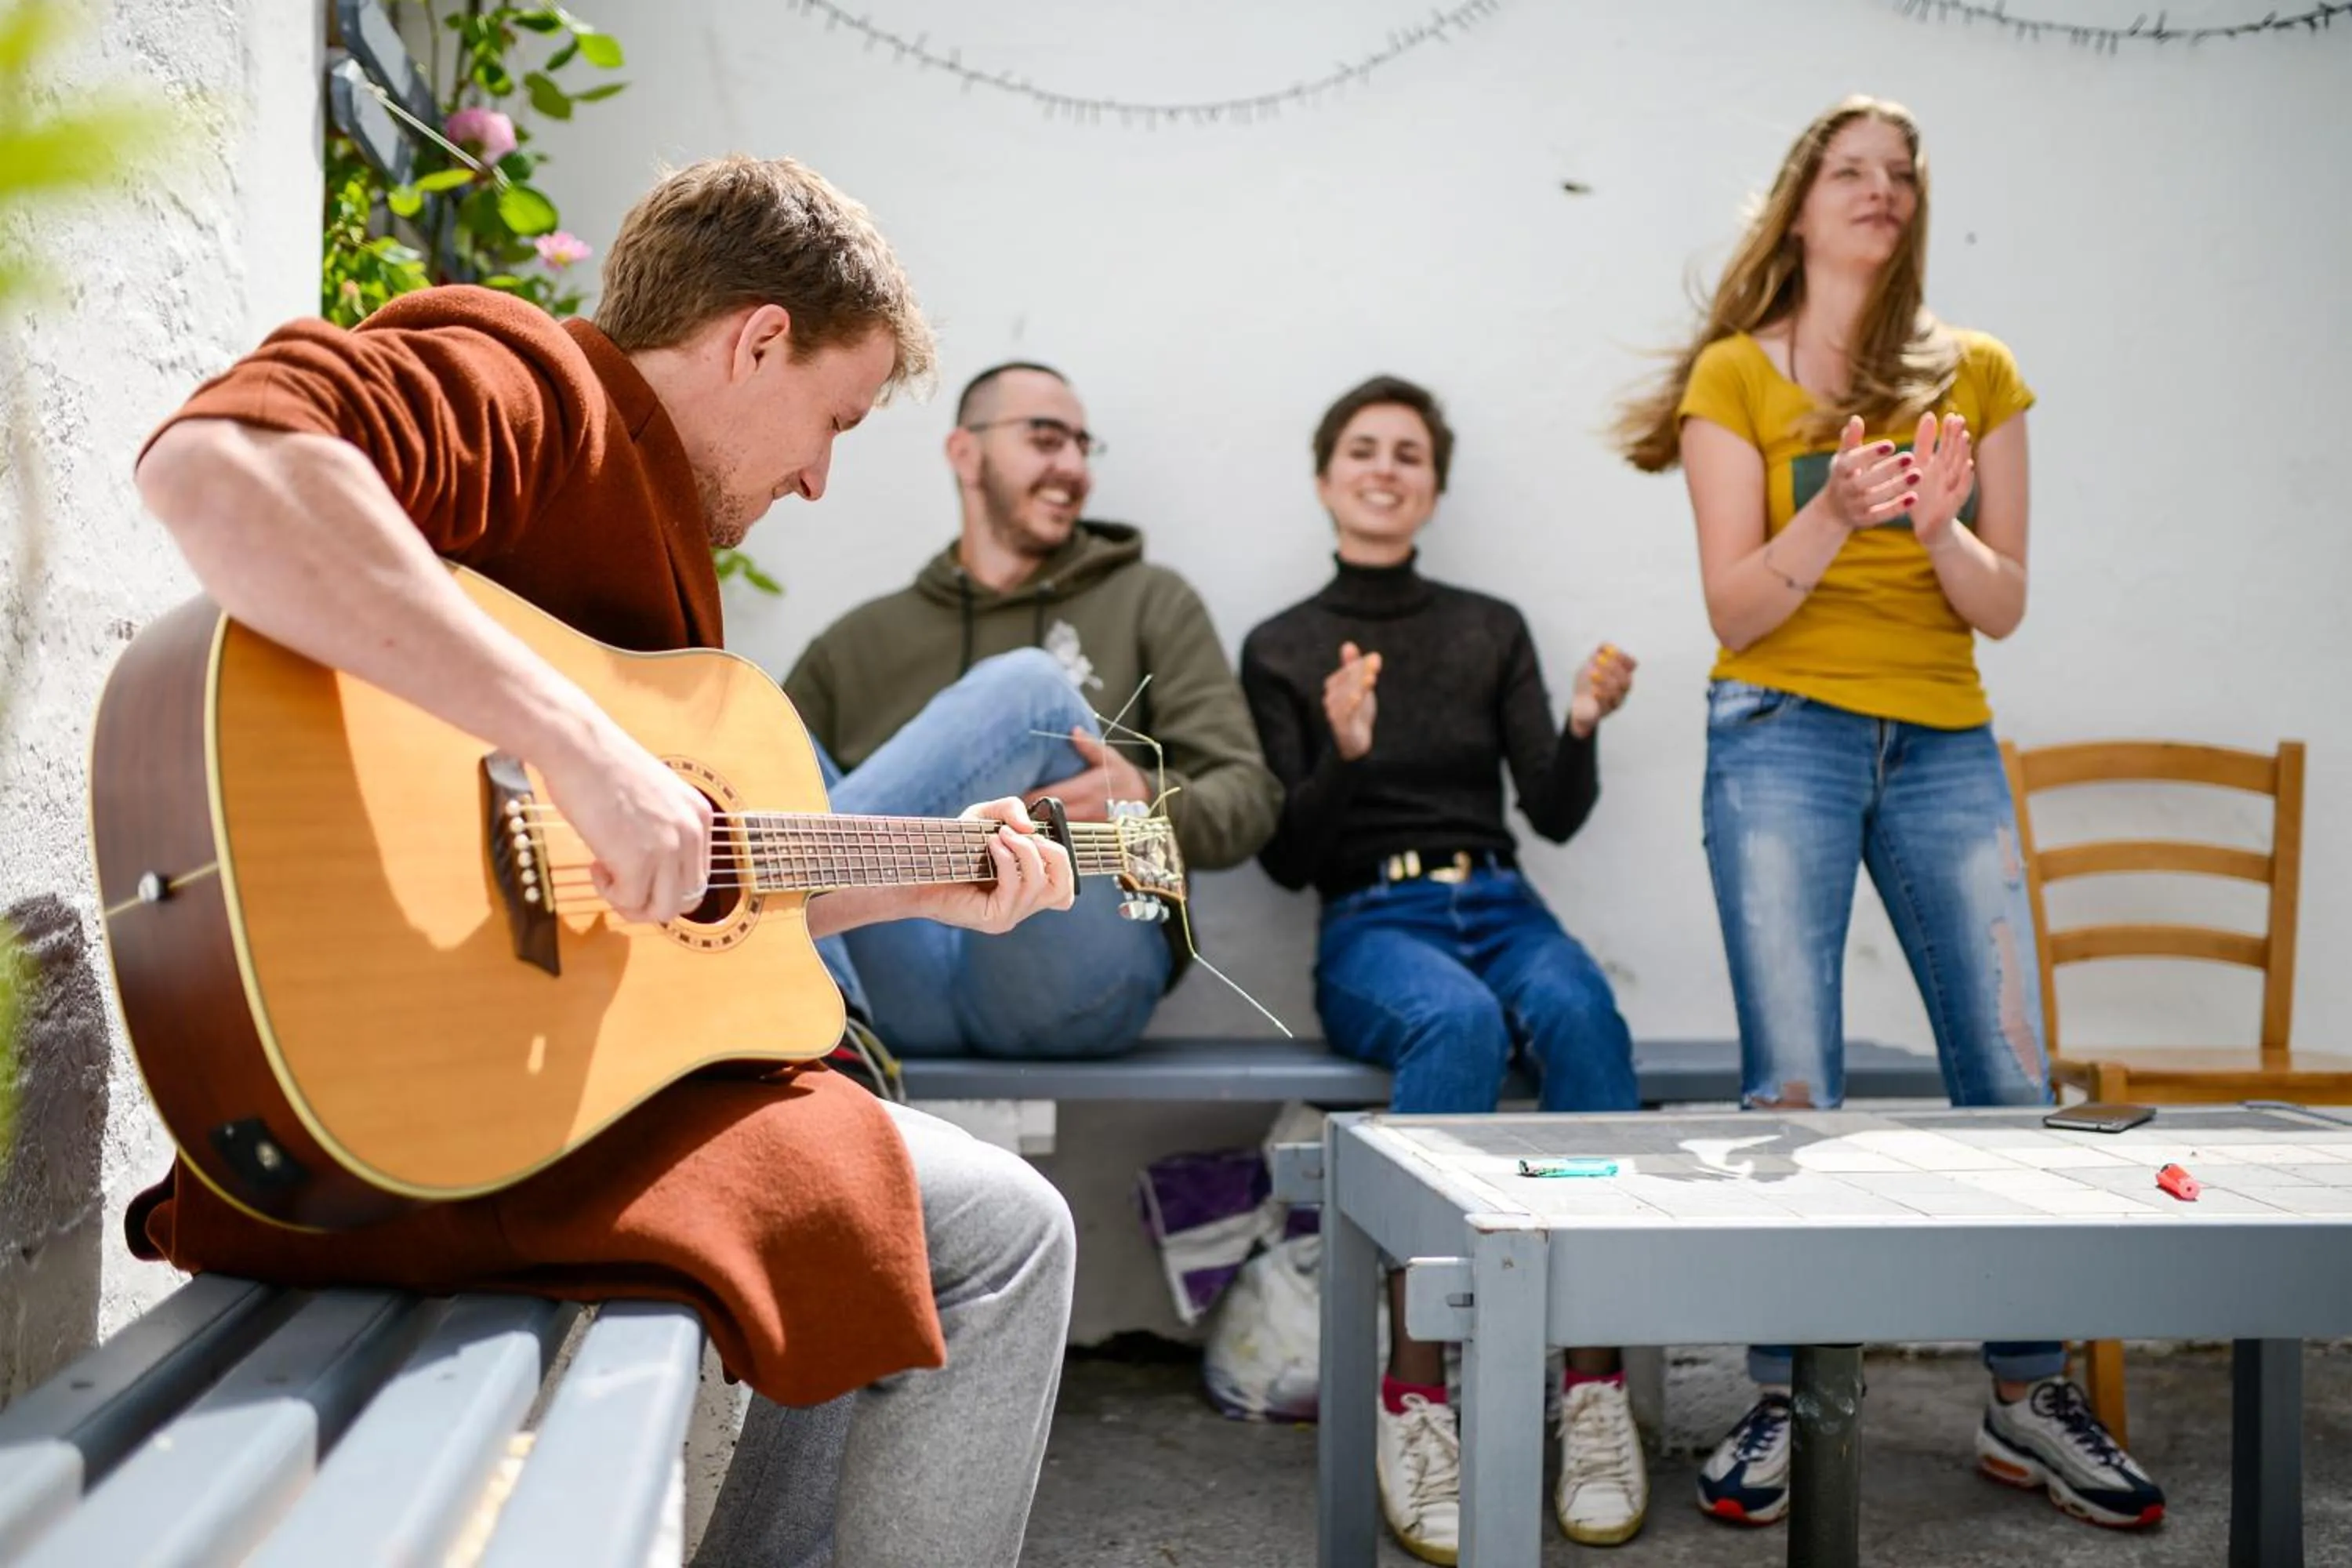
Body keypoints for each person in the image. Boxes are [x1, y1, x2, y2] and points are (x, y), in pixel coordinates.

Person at [125, 154, 1078, 1568]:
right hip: (418, 1126)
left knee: (869, 1205)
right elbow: (217, 466)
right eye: (833, 418)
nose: (820, 478)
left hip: (508, 1111)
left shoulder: (650, 525)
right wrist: (576, 743)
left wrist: (928, 883)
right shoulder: (533, 383)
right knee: (1007, 1235)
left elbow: (660, 910)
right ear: (757, 338)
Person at [1613, 96, 2165, 1531]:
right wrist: (1835, 513)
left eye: (1901, 176)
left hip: (1943, 745)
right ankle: (1793, 1391)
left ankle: (2025, 1394)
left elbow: (2005, 601)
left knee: (2011, 1072)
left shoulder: (1974, 371)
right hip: (1779, 735)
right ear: (1799, 204)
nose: (1880, 192)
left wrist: (1930, 520)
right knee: (1792, 1092)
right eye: (1851, 171)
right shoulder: (1737, 376)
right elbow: (1735, 605)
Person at [1240, 375, 1646, 1558]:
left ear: (1434, 482)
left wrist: (1578, 723)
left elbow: (1556, 815)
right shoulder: (1283, 645)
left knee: (1583, 1015)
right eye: (1361, 450)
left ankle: (1594, 1386)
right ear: (1326, 478)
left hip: (1503, 899)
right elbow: (1288, 858)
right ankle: (1417, 1398)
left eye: (1408, 453)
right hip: (1376, 922)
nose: (1384, 468)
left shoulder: (1488, 626)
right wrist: (1346, 755)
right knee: (1456, 1026)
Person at [782, 361, 1282, 1058]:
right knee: (769, 724)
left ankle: (751, 917)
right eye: (1047, 440)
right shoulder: (859, 644)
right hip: (899, 978)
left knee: (1031, 690)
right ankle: (829, 1024)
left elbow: (1249, 799)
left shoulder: (1150, 601)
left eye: (1083, 447)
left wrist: (1142, 794)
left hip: (1070, 975)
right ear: (966, 452)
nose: (1074, 467)